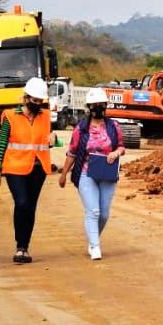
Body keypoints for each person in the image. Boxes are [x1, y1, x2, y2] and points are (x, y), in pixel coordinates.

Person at [0, 77, 53, 264]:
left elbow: (48, 141)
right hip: (14, 167)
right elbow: (2, 142)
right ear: (26, 98)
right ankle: (20, 246)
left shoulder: (46, 116)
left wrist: (55, 139)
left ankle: (24, 248)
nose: (37, 104)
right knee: (22, 202)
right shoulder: (10, 116)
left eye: (40, 101)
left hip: (38, 167)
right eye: (34, 100)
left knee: (31, 207)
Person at [59, 88, 125, 260]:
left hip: (107, 173)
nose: (98, 107)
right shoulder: (81, 128)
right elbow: (72, 152)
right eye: (94, 105)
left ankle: (93, 239)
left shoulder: (113, 126)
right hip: (86, 173)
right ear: (88, 107)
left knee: (103, 214)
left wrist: (116, 153)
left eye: (101, 104)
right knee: (93, 211)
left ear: (105, 106)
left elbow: (121, 146)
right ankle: (95, 246)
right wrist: (64, 173)